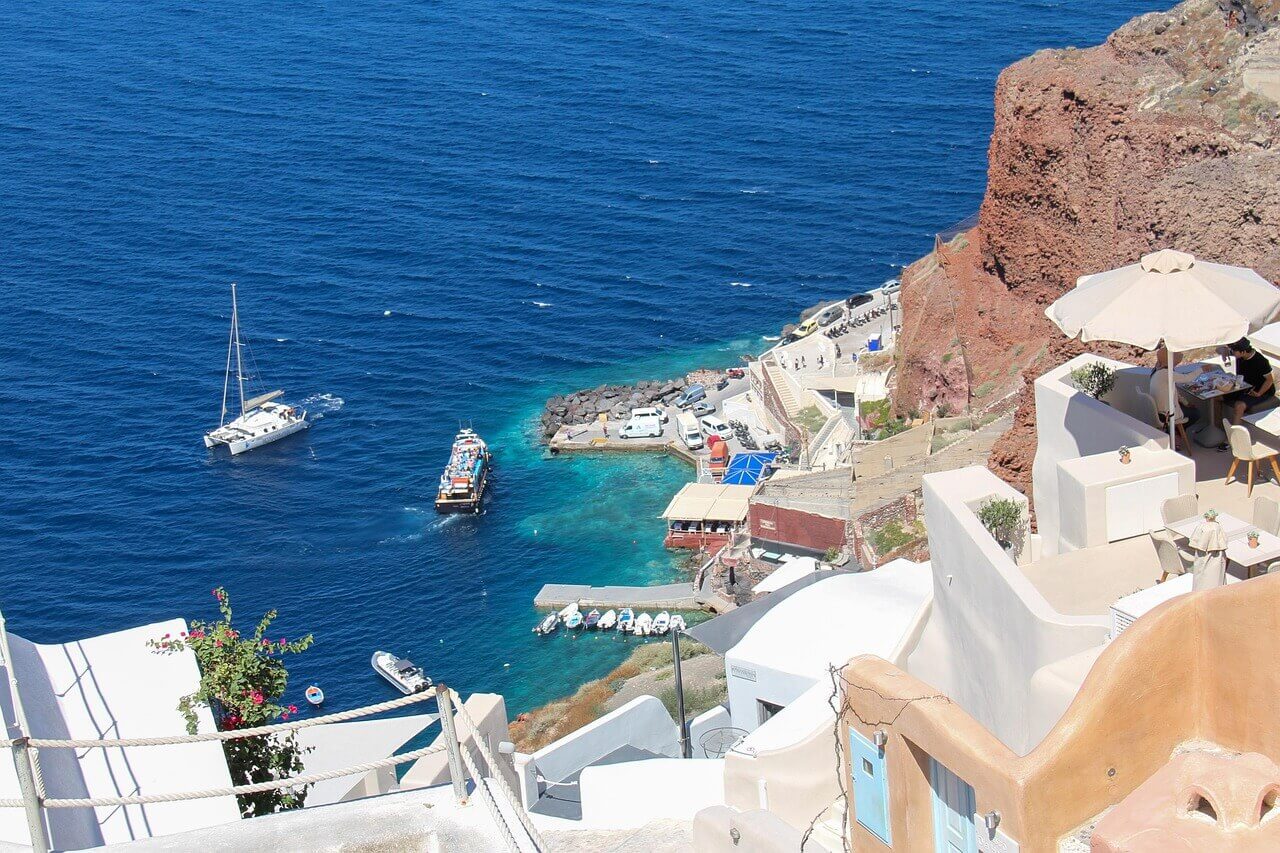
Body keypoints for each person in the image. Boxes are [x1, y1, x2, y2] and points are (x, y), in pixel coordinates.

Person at [1224, 337, 1276, 425]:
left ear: (1243, 352)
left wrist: (1259, 393)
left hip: (1259, 390)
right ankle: (1217, 426)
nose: (1231, 352)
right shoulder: (1240, 355)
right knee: (1217, 397)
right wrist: (1223, 353)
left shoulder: (1261, 361)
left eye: (1233, 351)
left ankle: (1235, 435)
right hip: (1243, 386)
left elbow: (1270, 380)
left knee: (1239, 406)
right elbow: (1221, 349)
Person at [1149, 345, 1203, 430]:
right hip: (1167, 413)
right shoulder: (1165, 373)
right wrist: (1202, 369)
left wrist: (1185, 402)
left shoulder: (1156, 371)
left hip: (1160, 411)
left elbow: (1173, 392)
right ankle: (1177, 432)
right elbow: (1187, 378)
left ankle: (1176, 432)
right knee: (1196, 413)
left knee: (1190, 409)